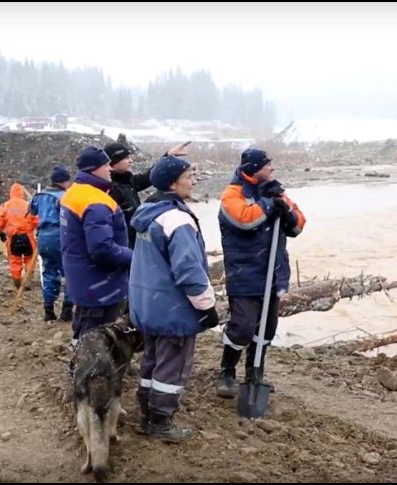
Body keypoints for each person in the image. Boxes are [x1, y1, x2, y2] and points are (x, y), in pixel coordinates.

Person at [129, 155, 220, 442]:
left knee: (152, 359)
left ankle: (147, 412)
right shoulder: (177, 220)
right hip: (172, 307)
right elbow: (189, 271)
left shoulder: (148, 211)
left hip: (147, 303)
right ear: (172, 182)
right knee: (173, 364)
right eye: (189, 176)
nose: (194, 181)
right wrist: (207, 306)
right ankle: (160, 421)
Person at [215, 148, 306, 399]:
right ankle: (227, 371)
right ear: (255, 168)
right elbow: (244, 220)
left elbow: (299, 223)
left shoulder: (277, 190)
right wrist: (268, 205)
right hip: (245, 272)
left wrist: (287, 214)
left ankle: (255, 372)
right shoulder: (232, 195)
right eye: (268, 165)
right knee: (242, 327)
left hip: (273, 272)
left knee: (266, 328)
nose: (272, 169)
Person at [60, 146, 132, 340]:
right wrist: (134, 257)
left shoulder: (74, 193)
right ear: (94, 169)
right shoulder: (96, 202)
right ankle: (89, 369)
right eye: (106, 164)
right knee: (96, 336)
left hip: (83, 277)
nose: (110, 169)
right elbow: (102, 249)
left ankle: (82, 362)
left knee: (84, 328)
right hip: (99, 284)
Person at [29, 166, 73, 321]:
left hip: (43, 237)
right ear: (64, 181)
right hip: (60, 235)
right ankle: (67, 310)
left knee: (48, 272)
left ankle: (48, 309)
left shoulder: (39, 196)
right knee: (69, 273)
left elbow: (32, 212)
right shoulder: (65, 197)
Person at [0, 183, 39, 289]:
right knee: (30, 259)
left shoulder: (5, 206)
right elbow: (36, 221)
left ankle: (17, 281)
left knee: (15, 260)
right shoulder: (28, 205)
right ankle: (27, 280)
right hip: (27, 237)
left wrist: (0, 232)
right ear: (21, 193)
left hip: (13, 238)